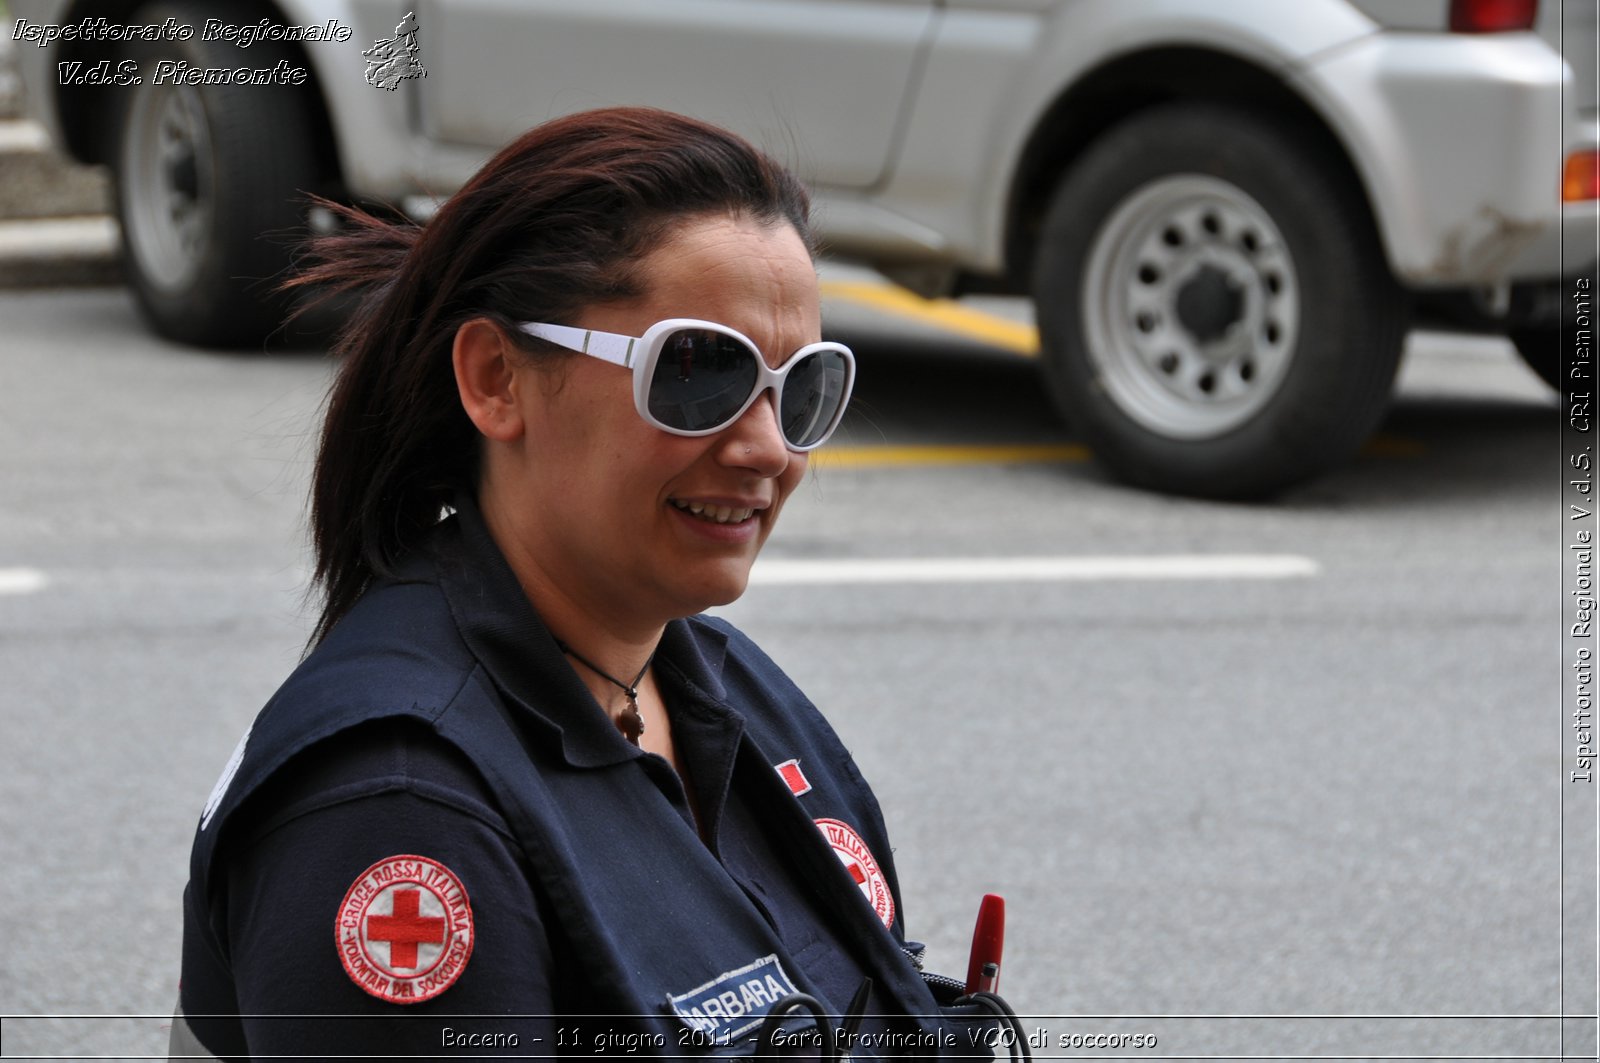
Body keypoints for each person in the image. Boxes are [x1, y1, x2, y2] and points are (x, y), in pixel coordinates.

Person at [169, 108, 1009, 1059]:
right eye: (699, 372)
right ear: (497, 379)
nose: (769, 447)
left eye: (802, 386)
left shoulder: (729, 690)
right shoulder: (399, 808)